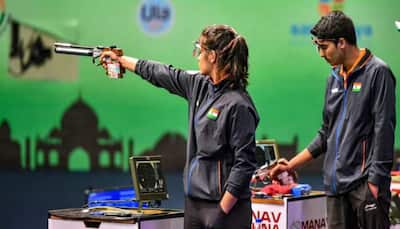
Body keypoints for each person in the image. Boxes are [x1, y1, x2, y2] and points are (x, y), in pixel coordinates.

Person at [100, 24, 259, 229]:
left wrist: (222, 211)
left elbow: (244, 164)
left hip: (227, 209)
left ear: (212, 56)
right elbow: (161, 73)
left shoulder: (239, 105)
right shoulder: (199, 84)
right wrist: (120, 60)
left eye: (199, 49)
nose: (197, 55)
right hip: (194, 202)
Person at [270, 11, 396, 229]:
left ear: (342, 43)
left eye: (323, 46)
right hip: (335, 189)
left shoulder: (378, 73)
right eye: (317, 46)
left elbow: (384, 130)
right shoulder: (333, 77)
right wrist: (290, 165)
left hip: (365, 188)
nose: (320, 53)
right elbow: (325, 134)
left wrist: (375, 183)